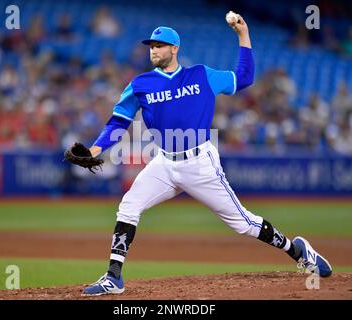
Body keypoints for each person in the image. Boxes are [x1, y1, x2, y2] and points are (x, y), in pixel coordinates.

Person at [82, 14, 332, 296]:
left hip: (199, 163)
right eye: (151, 45)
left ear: (174, 49)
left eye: (160, 45)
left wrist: (243, 35)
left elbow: (245, 78)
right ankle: (114, 277)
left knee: (244, 224)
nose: (153, 49)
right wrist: (95, 149)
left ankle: (298, 251)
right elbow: (119, 122)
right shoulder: (140, 84)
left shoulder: (200, 75)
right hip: (164, 162)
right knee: (129, 206)